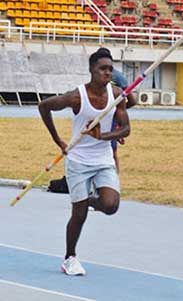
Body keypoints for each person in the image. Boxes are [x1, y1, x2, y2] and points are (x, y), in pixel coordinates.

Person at [38, 48, 130, 276]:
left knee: (111, 205)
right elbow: (44, 106)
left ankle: (88, 199)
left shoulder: (117, 95)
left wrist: (104, 136)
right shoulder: (76, 97)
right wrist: (58, 140)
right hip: (78, 161)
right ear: (91, 70)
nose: (107, 73)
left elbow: (126, 129)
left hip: (103, 159)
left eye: (110, 69)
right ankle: (70, 257)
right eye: (102, 69)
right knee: (79, 215)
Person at [109, 68, 136, 174]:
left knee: (112, 153)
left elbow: (132, 101)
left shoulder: (118, 77)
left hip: (111, 120)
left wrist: (117, 114)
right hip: (98, 118)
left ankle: (113, 184)